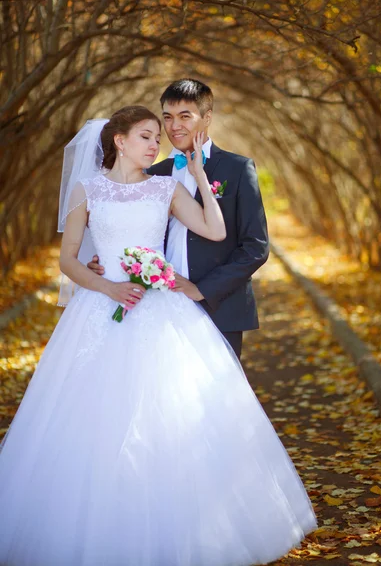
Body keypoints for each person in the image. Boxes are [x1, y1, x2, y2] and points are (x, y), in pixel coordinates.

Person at [0, 106, 316, 566]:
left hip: (161, 309)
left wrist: (200, 177)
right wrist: (107, 285)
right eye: (147, 136)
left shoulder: (164, 187)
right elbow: (68, 260)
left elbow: (214, 228)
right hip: (99, 307)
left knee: (171, 410)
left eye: (157, 138)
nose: (157, 145)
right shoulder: (86, 190)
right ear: (119, 141)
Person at [88, 79, 269, 359]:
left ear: (207, 117)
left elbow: (256, 247)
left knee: (215, 397)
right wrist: (106, 260)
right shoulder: (154, 172)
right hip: (156, 304)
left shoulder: (237, 168)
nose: (175, 126)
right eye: (168, 117)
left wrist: (201, 290)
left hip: (218, 305)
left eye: (185, 116)